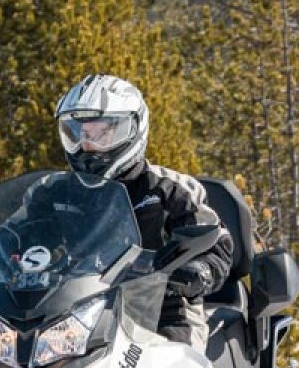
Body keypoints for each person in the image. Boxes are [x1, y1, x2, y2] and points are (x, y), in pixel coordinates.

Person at [52, 73, 234, 348]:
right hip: (75, 315)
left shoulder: (170, 189)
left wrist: (199, 270)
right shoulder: (53, 193)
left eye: (101, 134)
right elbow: (14, 234)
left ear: (132, 130)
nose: (87, 146)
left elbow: (216, 243)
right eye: (79, 134)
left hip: (164, 313)